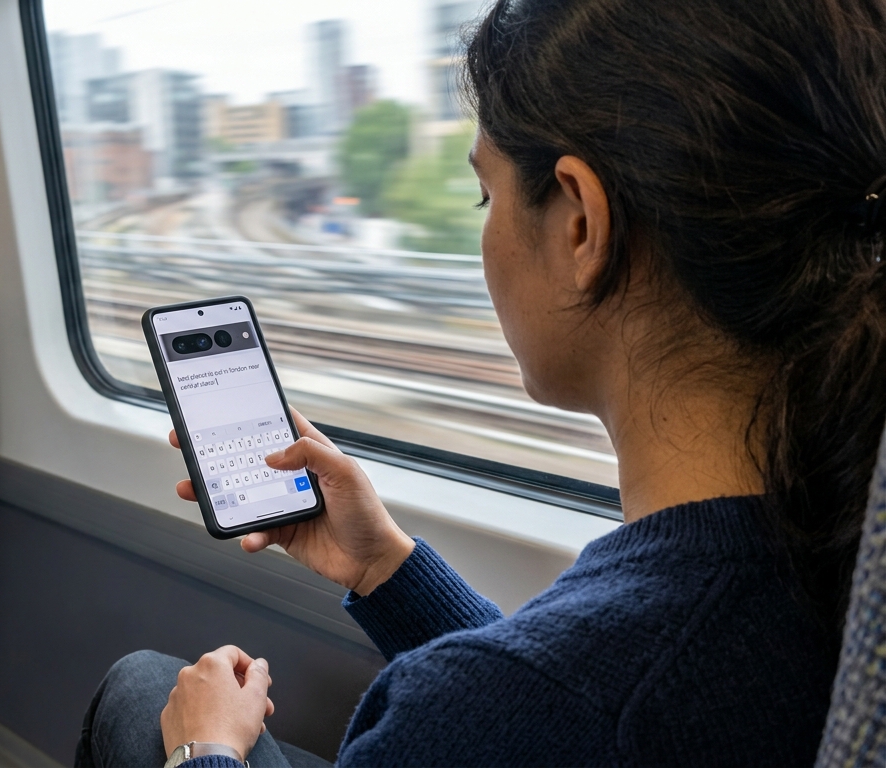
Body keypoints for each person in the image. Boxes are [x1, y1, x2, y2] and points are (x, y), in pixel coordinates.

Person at [76, 0, 886, 764]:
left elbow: (541, 705)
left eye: (484, 193)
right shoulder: (848, 536)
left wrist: (204, 749)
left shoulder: (461, 713)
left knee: (145, 689)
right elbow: (565, 699)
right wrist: (385, 568)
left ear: (581, 222)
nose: (484, 228)